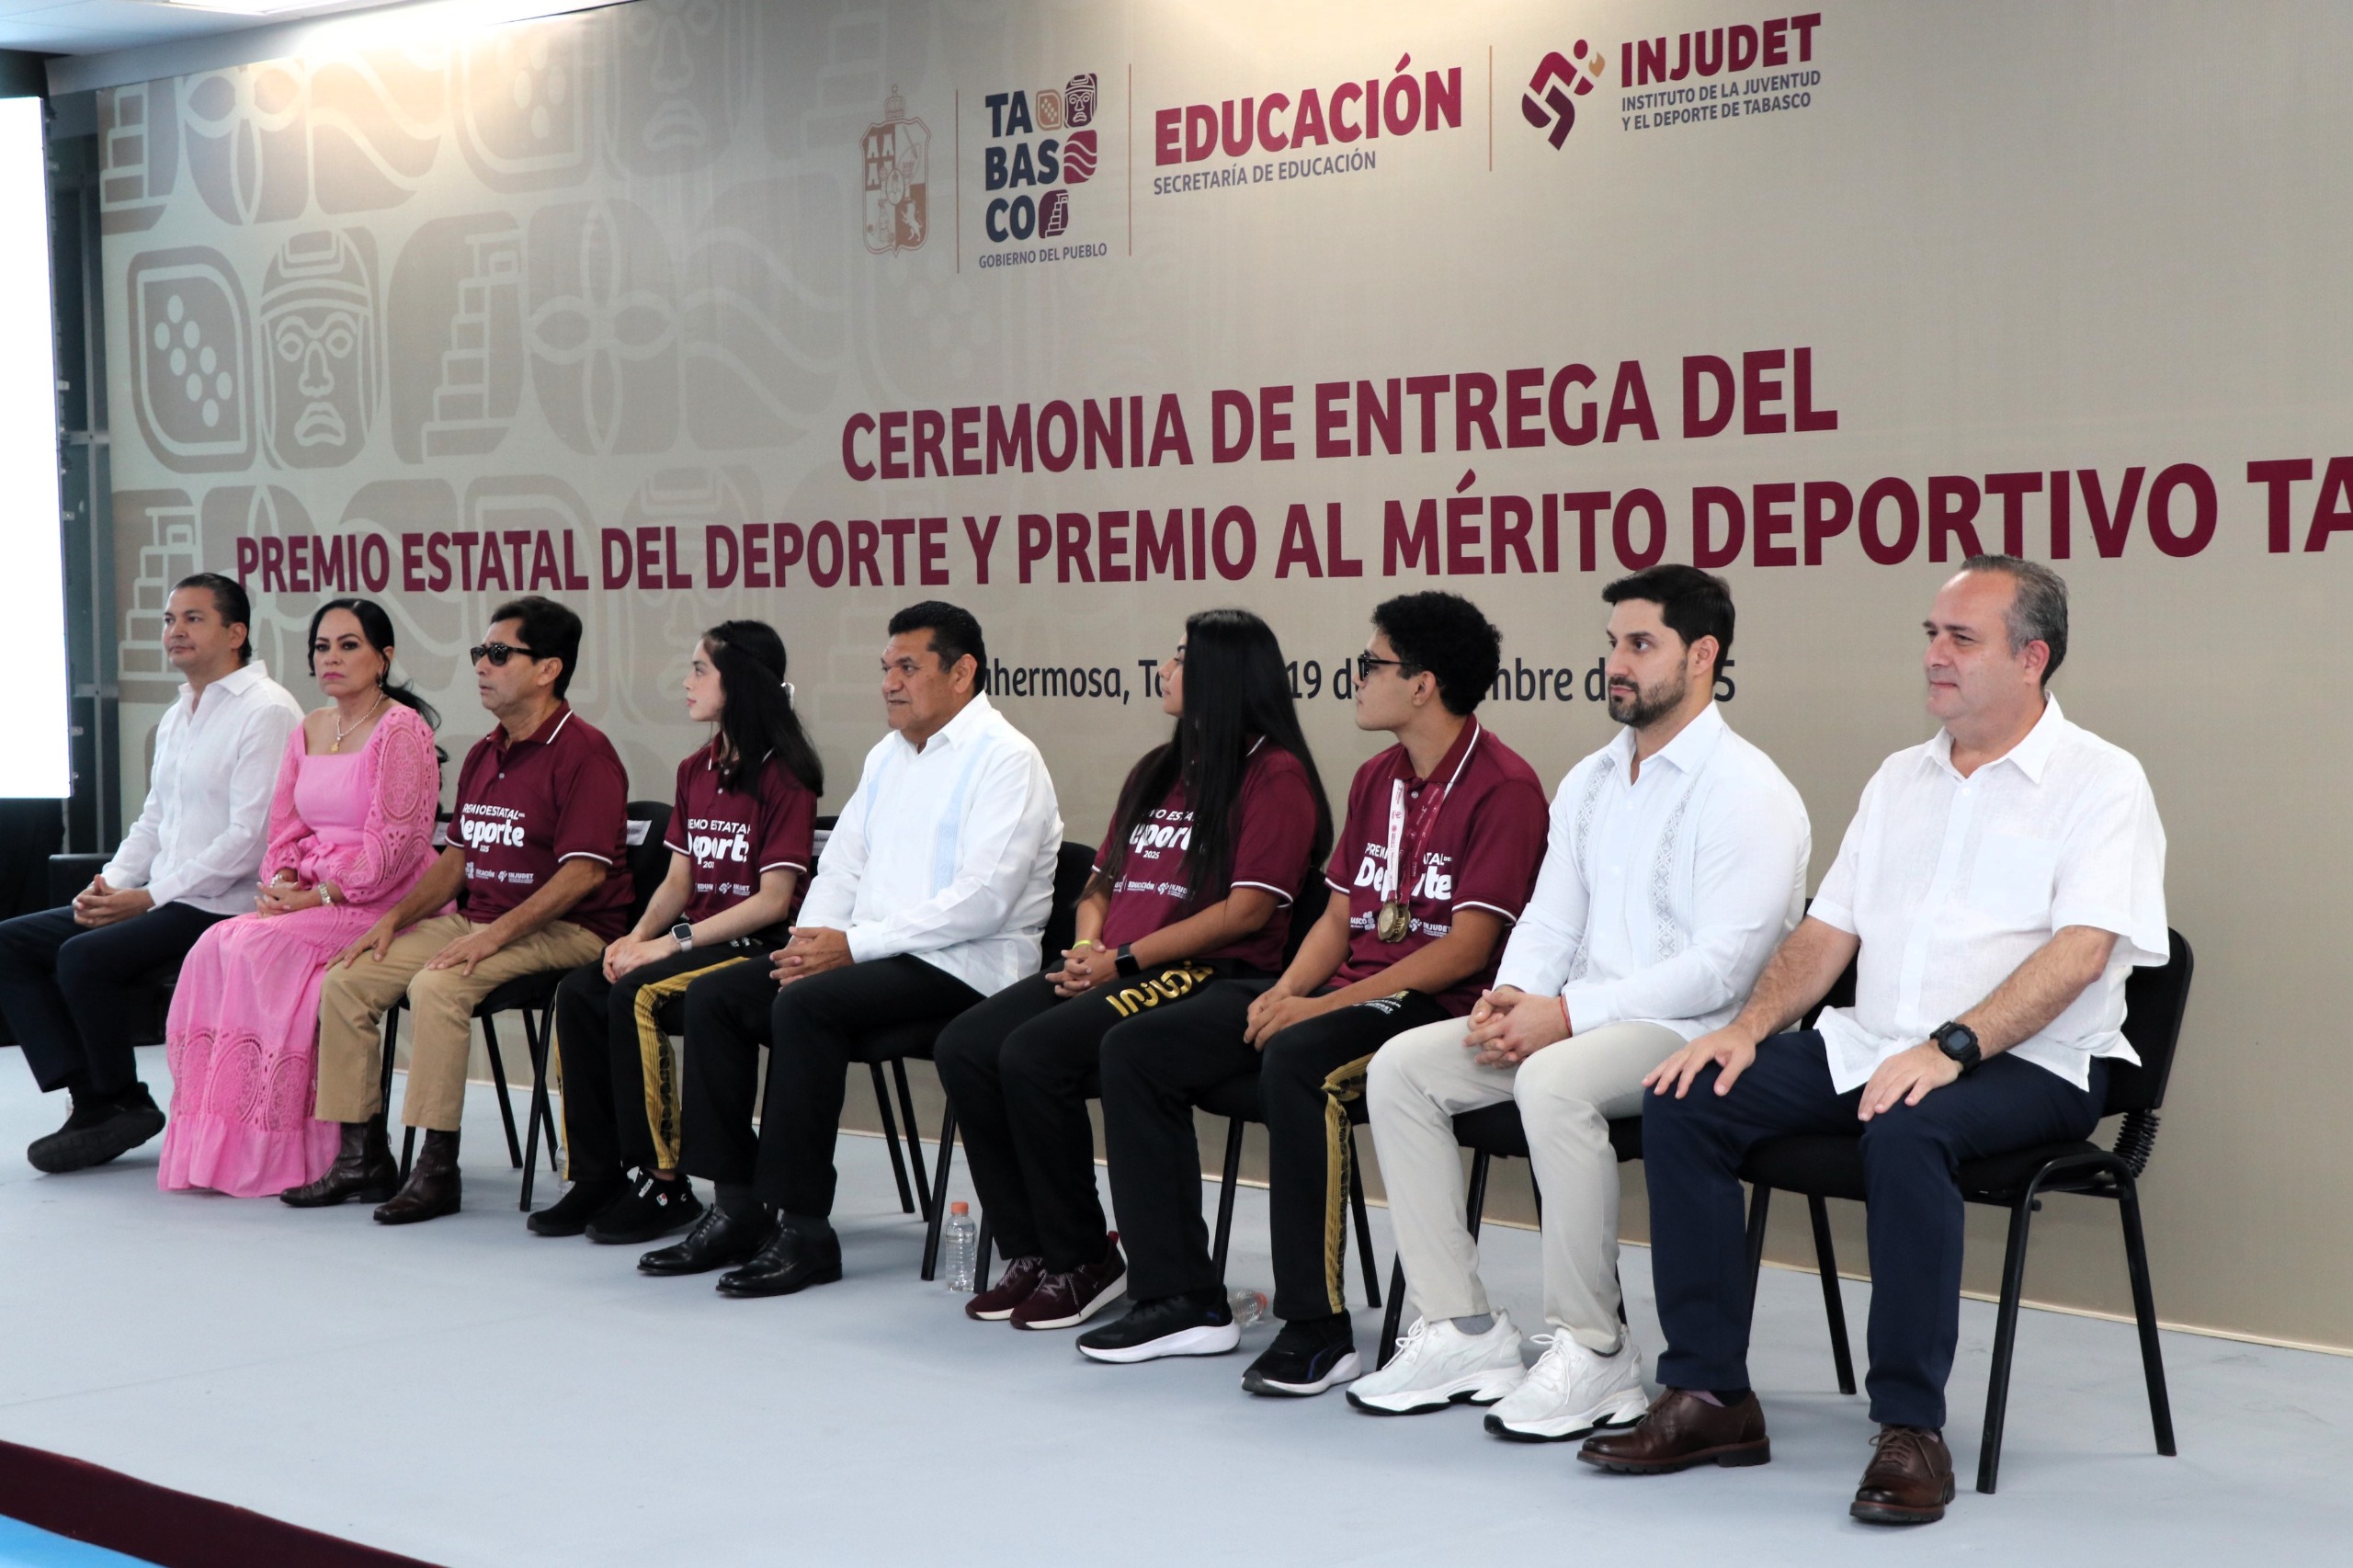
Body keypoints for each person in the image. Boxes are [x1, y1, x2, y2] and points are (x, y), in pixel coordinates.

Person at [1584, 557, 2167, 1528]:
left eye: (1961, 638)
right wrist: (1743, 1030)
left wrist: (1951, 1048)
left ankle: (1910, 1427)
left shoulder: (2102, 780)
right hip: (1872, 1044)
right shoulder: (1901, 776)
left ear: (2031, 658)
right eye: (1931, 634)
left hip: (2034, 1062)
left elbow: (2079, 954)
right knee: (1685, 1094)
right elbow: (1826, 933)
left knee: (1907, 1129)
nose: (1934, 654)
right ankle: (1711, 1395)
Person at [1352, 566, 1810, 1435]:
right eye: (1612, 645)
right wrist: (1511, 998)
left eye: (1641, 645)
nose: (1617, 664)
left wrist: (1561, 1018)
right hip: (1577, 1019)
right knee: (1403, 1068)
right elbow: (1551, 920)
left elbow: (1723, 971)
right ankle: (1462, 1329)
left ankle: (1595, 1349)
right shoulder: (1592, 779)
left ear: (1702, 656)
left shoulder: (1749, 790)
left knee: (1551, 1082)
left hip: (1691, 1033)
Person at [1077, 592, 1550, 1395]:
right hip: (1342, 990)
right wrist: (1288, 989)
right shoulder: (1376, 776)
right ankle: (1178, 1297)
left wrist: (1319, 1007)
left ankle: (1317, 1328)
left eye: (1372, 663)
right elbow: (1336, 916)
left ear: (1423, 683)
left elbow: (1465, 949)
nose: (1357, 677)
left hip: (1438, 1005)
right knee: (1137, 1048)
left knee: (1299, 1061)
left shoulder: (1504, 786)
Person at [642, 602, 1060, 1297]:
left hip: (966, 966)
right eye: (886, 668)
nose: (890, 683)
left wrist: (851, 947)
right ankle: (737, 1208)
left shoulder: (1007, 759)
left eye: (908, 668)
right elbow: (840, 868)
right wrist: (809, 943)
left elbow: (983, 900)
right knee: (718, 996)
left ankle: (805, 1230)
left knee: (807, 1007)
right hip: (869, 955)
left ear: (962, 673)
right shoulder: (887, 755)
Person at [937, 609, 1330, 1331]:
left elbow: (1246, 912)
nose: (1166, 670)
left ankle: (1084, 1257)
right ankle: (1034, 1250)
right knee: (965, 1046)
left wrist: (1121, 960)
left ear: (1223, 675)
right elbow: (1100, 883)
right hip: (1111, 964)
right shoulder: (1157, 769)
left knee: (1033, 1053)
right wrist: (1088, 948)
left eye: (1181, 658)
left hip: (1206, 973)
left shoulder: (1275, 775)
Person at [288, 596, 631, 1224]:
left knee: (439, 985)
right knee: (348, 978)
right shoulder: (484, 752)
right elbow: (455, 862)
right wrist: (393, 920)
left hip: (570, 929)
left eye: (499, 654)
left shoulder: (585, 751)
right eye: (480, 652)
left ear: (548, 669)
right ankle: (361, 1158)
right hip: (482, 920)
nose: (481, 665)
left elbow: (584, 874)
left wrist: (491, 938)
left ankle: (437, 1168)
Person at [0, 574, 301, 1174]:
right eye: (169, 620)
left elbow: (250, 840)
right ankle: (94, 1100)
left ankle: (121, 1099)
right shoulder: (178, 712)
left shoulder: (266, 711)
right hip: (164, 896)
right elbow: (154, 820)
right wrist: (108, 886)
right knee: (10, 943)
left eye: (193, 618)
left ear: (236, 633)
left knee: (83, 958)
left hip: (226, 905)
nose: (175, 631)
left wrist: (147, 897)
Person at [532, 621, 822, 1244]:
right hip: (695, 939)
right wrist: (635, 938)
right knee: (580, 990)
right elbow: (676, 883)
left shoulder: (787, 774)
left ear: (738, 681)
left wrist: (669, 946)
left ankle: (664, 1182)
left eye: (699, 670)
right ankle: (598, 1175)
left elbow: (773, 902)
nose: (686, 683)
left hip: (758, 946)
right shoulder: (696, 768)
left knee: (637, 994)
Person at [155, 599, 442, 1198]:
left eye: (349, 645)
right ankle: (221, 1141)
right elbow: (284, 828)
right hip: (314, 896)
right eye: (322, 647)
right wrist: (284, 882)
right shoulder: (310, 726)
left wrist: (320, 897)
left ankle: (295, 1148)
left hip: (380, 900)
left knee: (255, 950)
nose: (331, 658)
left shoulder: (401, 729)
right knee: (213, 945)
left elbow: (397, 848)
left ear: (383, 657)